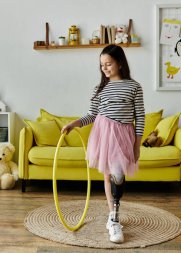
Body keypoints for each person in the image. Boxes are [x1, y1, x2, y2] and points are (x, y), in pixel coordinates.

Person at [61, 44, 145, 243]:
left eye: (108, 64)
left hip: (123, 135)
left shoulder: (134, 86)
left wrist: (137, 144)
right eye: (101, 65)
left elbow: (140, 117)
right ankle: (114, 218)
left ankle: (114, 213)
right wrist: (75, 123)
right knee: (107, 175)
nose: (104, 68)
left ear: (119, 63)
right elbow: (92, 115)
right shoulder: (100, 88)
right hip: (102, 134)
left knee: (118, 175)